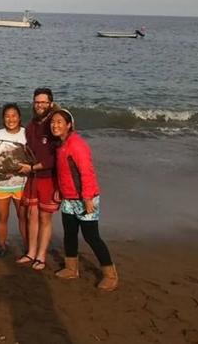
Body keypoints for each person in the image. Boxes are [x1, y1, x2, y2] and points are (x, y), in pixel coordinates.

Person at [50, 109, 117, 291]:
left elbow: (87, 173)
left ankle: (110, 275)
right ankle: (71, 268)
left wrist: (87, 198)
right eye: (53, 122)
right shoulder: (60, 145)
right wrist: (58, 189)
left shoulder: (77, 145)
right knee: (69, 234)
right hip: (69, 199)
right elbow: (63, 172)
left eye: (59, 122)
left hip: (86, 198)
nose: (55, 125)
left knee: (91, 237)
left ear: (69, 125)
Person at [15, 88, 59, 271]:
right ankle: (31, 252)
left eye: (43, 102)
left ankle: (41, 256)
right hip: (32, 178)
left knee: (44, 217)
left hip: (48, 177)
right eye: (37, 102)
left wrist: (32, 167)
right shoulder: (32, 125)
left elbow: (53, 157)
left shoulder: (54, 123)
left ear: (50, 103)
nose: (40, 105)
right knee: (31, 215)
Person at [0, 103, 28, 257]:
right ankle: (2, 246)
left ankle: (28, 247)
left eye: (13, 115)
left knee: (23, 217)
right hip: (1, 184)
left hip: (22, 184)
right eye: (7, 116)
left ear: (19, 117)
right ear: (3, 118)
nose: (10, 119)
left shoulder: (27, 134)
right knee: (2, 217)